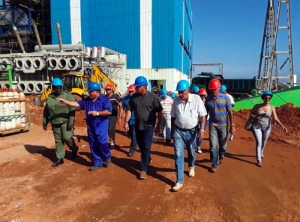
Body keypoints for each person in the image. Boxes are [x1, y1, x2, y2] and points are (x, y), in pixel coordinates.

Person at [57, 82, 112, 171]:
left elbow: (109, 111)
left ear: (96, 92)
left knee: (102, 142)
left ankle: (107, 155)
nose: (89, 93)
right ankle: (97, 162)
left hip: (101, 125)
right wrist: (65, 102)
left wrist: (97, 113)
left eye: (90, 91)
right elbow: (77, 104)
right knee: (93, 143)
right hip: (91, 125)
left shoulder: (105, 100)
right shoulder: (87, 100)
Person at [170, 80, 207, 191]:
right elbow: (173, 116)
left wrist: (202, 130)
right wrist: (172, 131)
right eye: (179, 92)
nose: (180, 94)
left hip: (192, 131)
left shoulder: (196, 99)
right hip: (178, 131)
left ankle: (191, 166)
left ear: (188, 90)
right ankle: (179, 181)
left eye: (182, 92)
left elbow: (203, 115)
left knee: (191, 151)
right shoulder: (176, 101)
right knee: (178, 154)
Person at [124, 76, 163, 179]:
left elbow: (159, 111)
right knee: (141, 145)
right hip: (137, 125)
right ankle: (147, 157)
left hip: (149, 126)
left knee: (146, 146)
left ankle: (143, 169)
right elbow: (129, 109)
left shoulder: (153, 97)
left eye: (138, 87)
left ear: (144, 87)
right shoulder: (134, 97)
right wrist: (126, 121)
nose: (136, 88)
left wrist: (158, 125)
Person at [43, 78, 78, 167]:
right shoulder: (50, 97)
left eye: (59, 87)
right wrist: (45, 122)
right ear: (53, 87)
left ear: (62, 87)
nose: (58, 89)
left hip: (65, 121)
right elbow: (46, 110)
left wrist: (71, 121)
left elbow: (72, 109)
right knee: (58, 140)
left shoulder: (67, 95)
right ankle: (60, 158)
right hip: (54, 122)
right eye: (56, 87)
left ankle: (74, 148)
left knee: (66, 137)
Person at [250, 91, 288, 167]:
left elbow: (276, 118)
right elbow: (250, 113)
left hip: (267, 128)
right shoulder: (257, 106)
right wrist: (255, 117)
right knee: (259, 142)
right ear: (263, 98)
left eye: (269, 98)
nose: (267, 99)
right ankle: (258, 160)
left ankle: (261, 152)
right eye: (266, 98)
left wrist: (283, 126)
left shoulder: (272, 108)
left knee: (264, 142)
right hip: (256, 126)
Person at [205, 79, 235, 173]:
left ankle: (221, 154)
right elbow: (205, 114)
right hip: (212, 125)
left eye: (215, 89)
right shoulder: (208, 100)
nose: (213, 91)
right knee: (213, 145)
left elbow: (230, 112)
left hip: (224, 125)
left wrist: (232, 125)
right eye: (212, 90)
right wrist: (203, 127)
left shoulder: (226, 98)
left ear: (219, 88)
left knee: (223, 145)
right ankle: (214, 164)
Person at [120, 84, 138, 157]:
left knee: (134, 135)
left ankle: (132, 150)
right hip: (128, 121)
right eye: (129, 91)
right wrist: (120, 117)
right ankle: (134, 143)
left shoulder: (138, 98)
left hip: (136, 121)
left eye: (132, 91)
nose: (131, 93)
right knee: (130, 134)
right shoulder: (126, 99)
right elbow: (122, 107)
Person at [105, 84, 122, 149]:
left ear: (112, 90)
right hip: (106, 115)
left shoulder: (115, 97)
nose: (108, 91)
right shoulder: (105, 97)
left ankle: (112, 142)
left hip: (113, 115)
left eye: (109, 89)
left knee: (111, 128)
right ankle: (105, 142)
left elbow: (120, 105)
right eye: (107, 89)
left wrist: (120, 117)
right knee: (106, 129)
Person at [196, 88, 209, 154]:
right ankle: (195, 144)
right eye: (201, 95)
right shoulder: (196, 102)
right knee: (196, 132)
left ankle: (199, 146)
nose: (202, 97)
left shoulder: (207, 102)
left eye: (203, 95)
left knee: (202, 132)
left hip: (206, 120)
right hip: (197, 120)